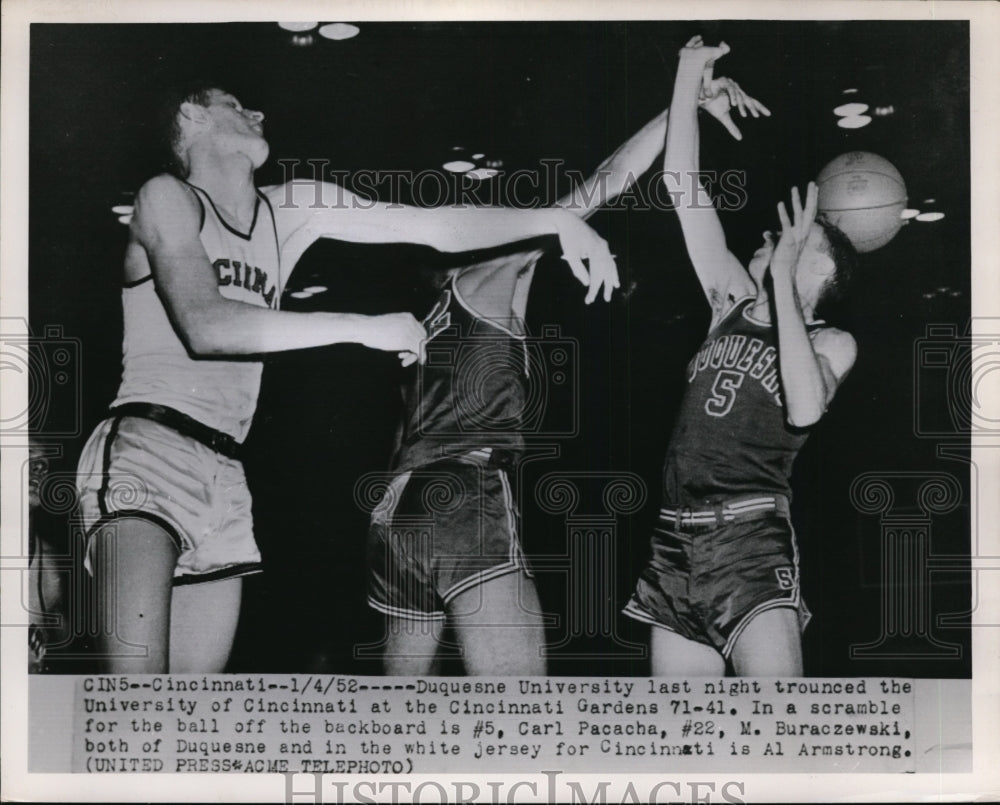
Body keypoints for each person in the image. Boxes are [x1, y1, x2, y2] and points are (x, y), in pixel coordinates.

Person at [74, 81, 619, 674]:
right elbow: (206, 326)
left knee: (187, 715)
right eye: (235, 104)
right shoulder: (167, 196)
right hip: (149, 448)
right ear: (191, 114)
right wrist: (362, 325)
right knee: (134, 703)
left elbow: (432, 227)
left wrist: (554, 219)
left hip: (225, 471)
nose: (257, 111)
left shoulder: (289, 208)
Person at [367, 74, 762, 675]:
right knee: (520, 712)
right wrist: (683, 108)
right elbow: (600, 184)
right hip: (464, 494)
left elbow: (399, 437)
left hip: (396, 510)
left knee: (397, 705)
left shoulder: (420, 325)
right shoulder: (492, 274)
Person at [623, 37, 859, 676]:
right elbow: (680, 184)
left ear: (820, 269)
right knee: (680, 744)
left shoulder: (829, 340)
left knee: (775, 737)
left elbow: (805, 409)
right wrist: (687, 74)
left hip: (749, 541)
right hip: (673, 541)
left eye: (791, 237)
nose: (771, 234)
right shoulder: (728, 297)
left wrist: (780, 280)